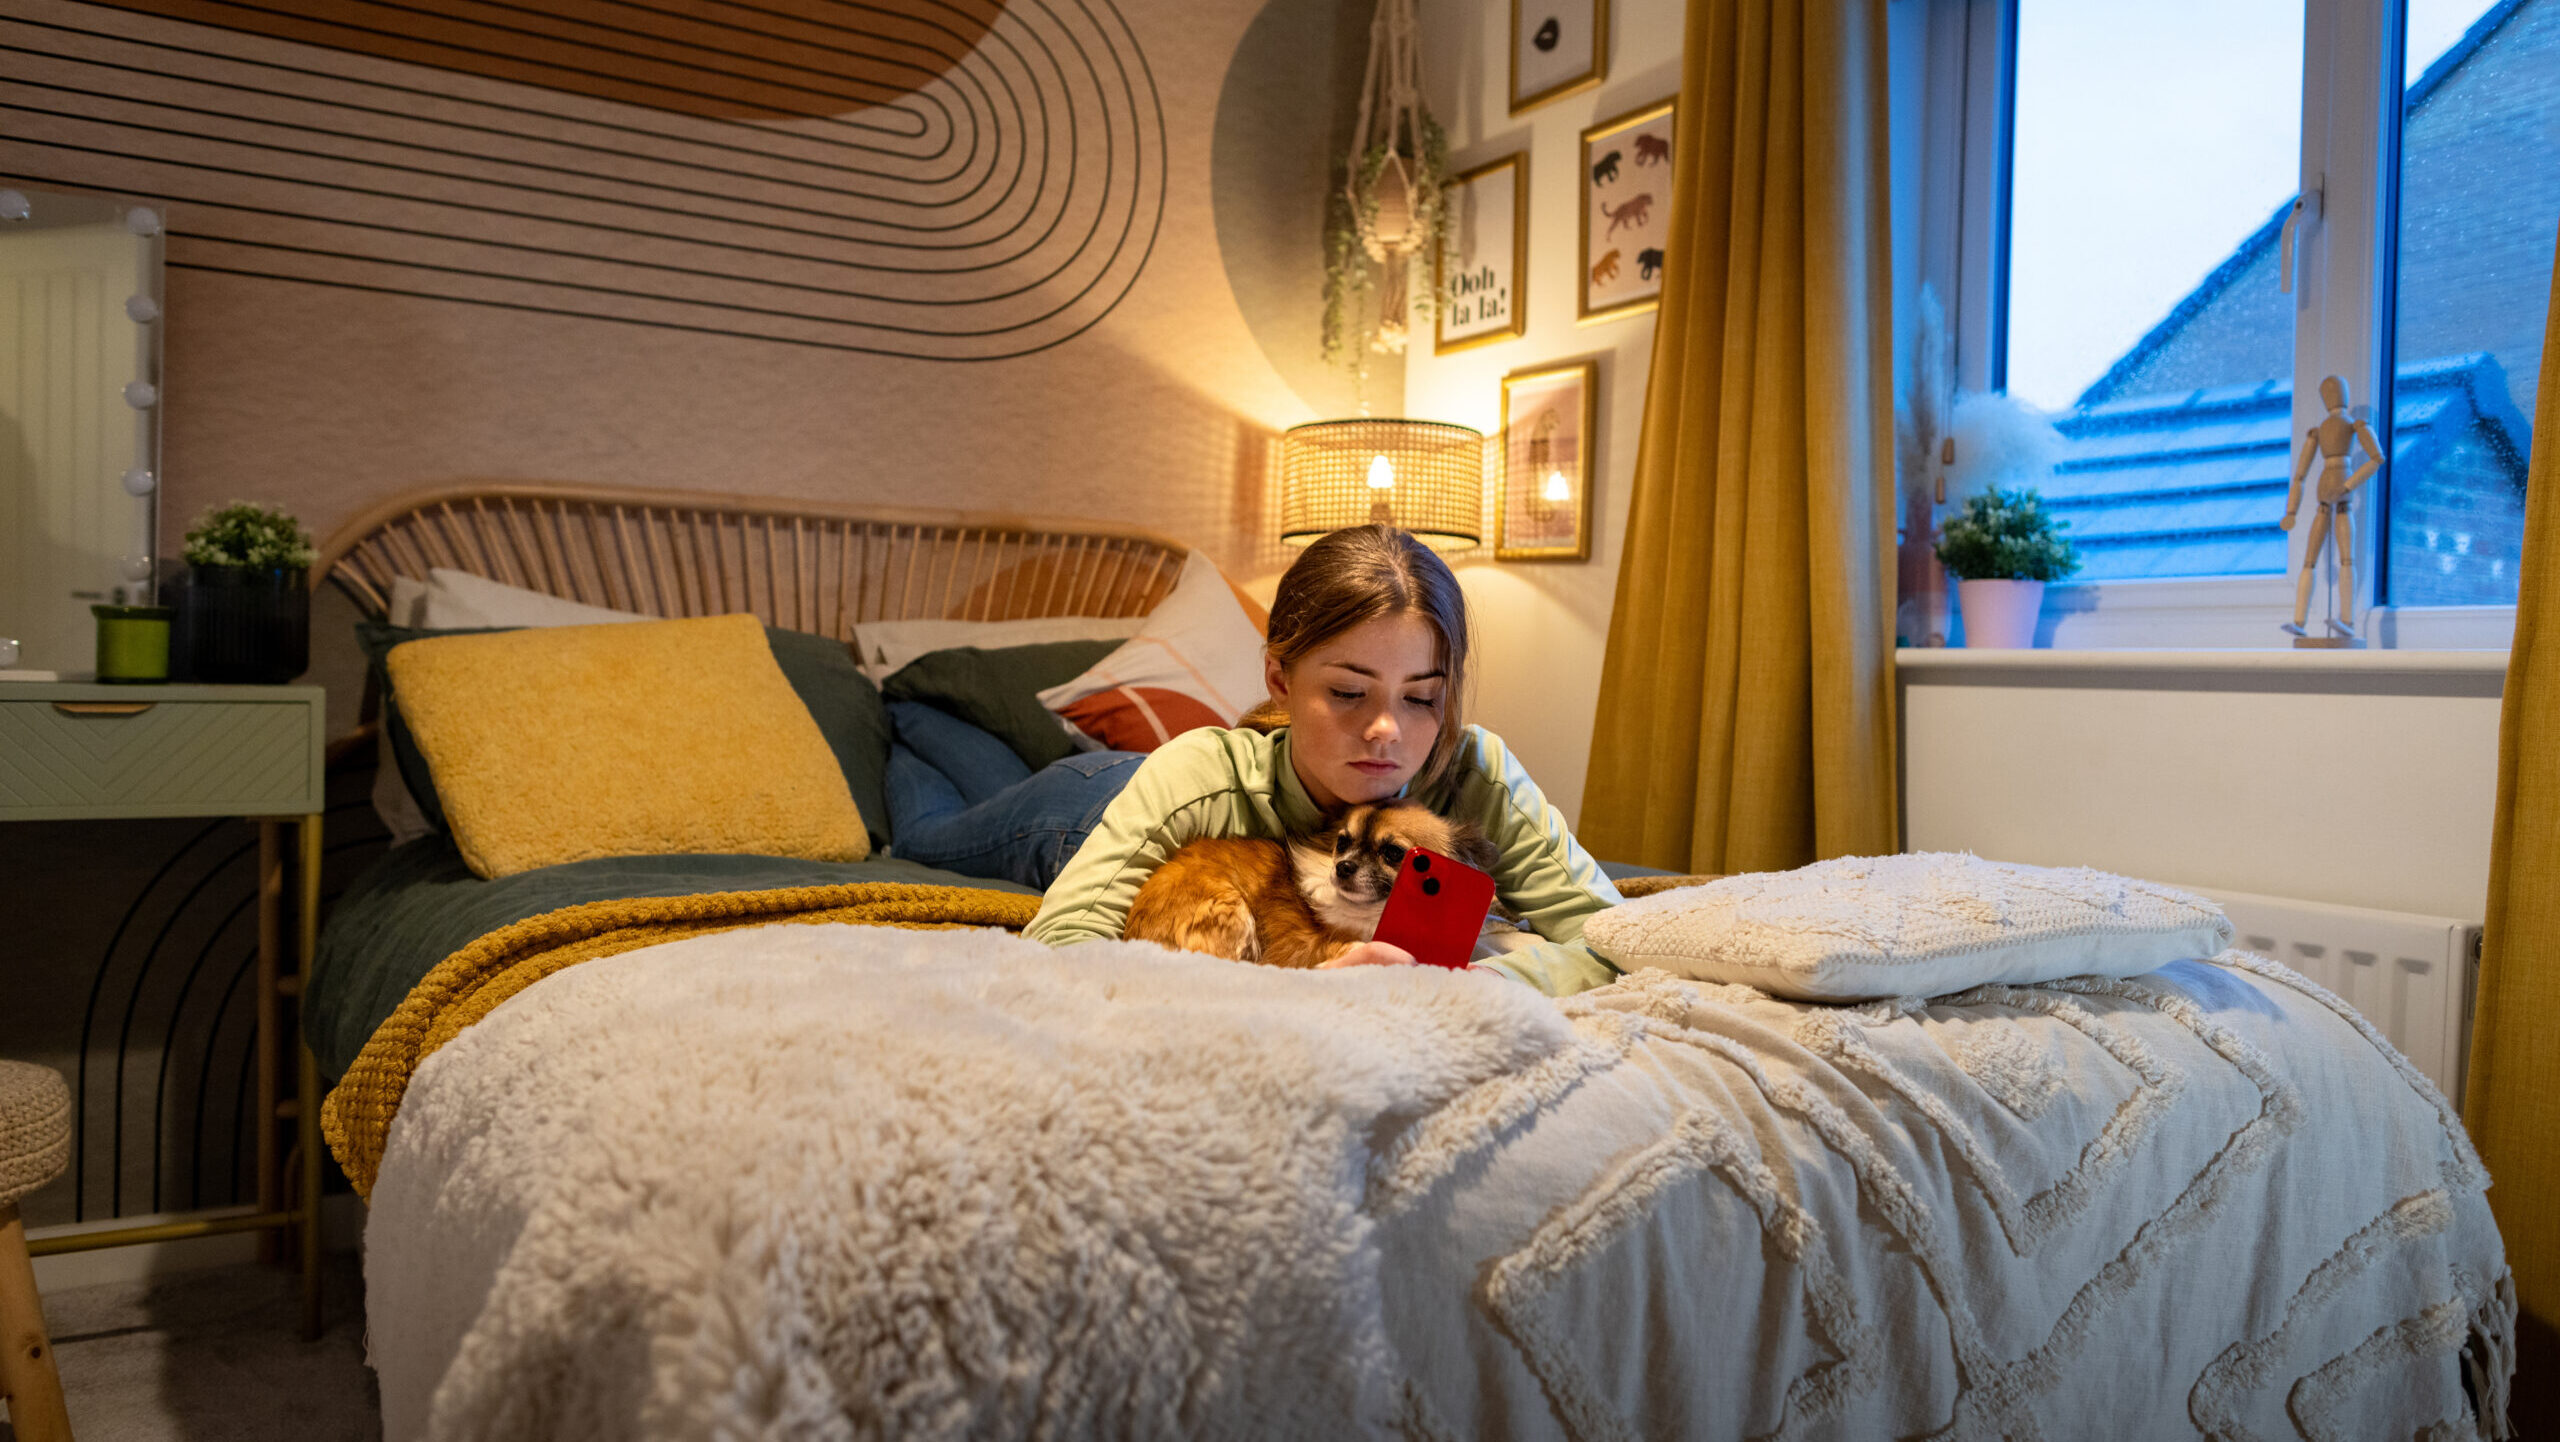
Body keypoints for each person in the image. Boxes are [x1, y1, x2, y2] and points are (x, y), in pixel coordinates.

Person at [1026, 523, 1624, 996]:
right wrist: (1295, 991)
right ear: (1279, 681)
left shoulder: (1475, 773)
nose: (1386, 729)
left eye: (1421, 698)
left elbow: (1618, 941)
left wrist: (1479, 981)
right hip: (1078, 802)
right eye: (1347, 692)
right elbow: (1060, 939)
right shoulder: (1196, 775)